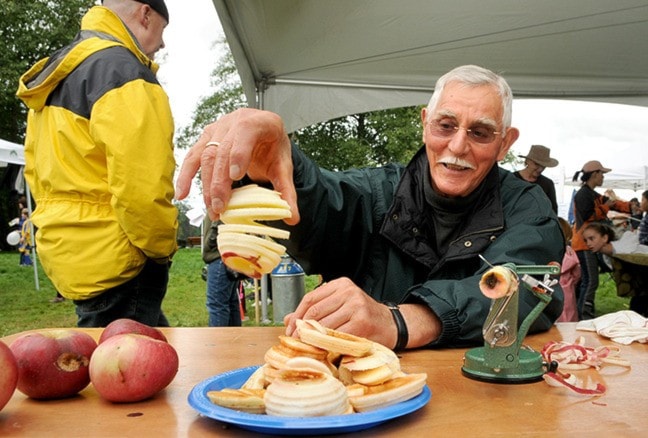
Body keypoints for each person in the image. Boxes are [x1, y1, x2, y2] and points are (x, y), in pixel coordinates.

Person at [175, 64, 564, 350]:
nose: (458, 146)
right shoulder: (378, 190)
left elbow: (532, 287)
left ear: (505, 143)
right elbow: (324, 203)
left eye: (480, 132)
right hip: (362, 403)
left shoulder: (527, 205)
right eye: (446, 125)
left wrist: (400, 320)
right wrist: (275, 166)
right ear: (425, 124)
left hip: (485, 401)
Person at [16, 0, 177, 327]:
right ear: (145, 14)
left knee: (134, 355)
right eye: (162, 32)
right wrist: (161, 250)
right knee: (124, 369)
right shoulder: (125, 71)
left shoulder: (63, 69)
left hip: (71, 250)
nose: (161, 44)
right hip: (121, 257)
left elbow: (36, 170)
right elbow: (143, 189)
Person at [571, 160, 632, 320]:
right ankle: (584, 316)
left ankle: (583, 313)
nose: (603, 177)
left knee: (589, 281)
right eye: (602, 174)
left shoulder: (592, 193)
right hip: (583, 244)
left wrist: (631, 207)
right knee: (590, 281)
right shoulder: (583, 194)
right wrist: (607, 207)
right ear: (595, 174)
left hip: (589, 243)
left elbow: (613, 204)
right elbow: (588, 216)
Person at [582, 222, 648, 317]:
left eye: (592, 239)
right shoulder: (608, 256)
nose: (588, 244)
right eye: (586, 240)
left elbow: (631, 239)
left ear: (605, 238)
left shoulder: (625, 248)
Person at [202, 217, 243, 326]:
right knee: (231, 302)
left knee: (217, 305)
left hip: (219, 254)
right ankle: (234, 339)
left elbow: (220, 219)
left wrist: (211, 243)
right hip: (229, 253)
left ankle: (218, 341)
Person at [513, 145, 559, 213]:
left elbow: (553, 211)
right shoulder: (511, 179)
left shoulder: (548, 184)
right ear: (527, 161)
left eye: (543, 166)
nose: (540, 169)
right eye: (536, 164)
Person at [557, 217, 580, 322]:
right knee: (569, 314)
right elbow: (577, 273)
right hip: (568, 289)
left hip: (551, 287)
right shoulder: (570, 252)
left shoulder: (549, 252)